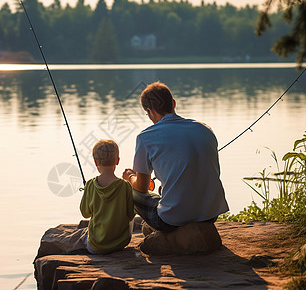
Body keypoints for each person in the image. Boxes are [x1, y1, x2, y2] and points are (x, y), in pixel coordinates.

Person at [122, 81, 229, 232]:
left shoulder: (145, 137)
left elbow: (141, 187)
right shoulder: (204, 129)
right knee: (163, 189)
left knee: (129, 191)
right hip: (210, 214)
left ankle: (115, 235)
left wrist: (130, 177)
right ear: (173, 103)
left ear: (150, 111)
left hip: (171, 221)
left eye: (147, 114)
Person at [80, 139, 135, 254]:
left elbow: (85, 213)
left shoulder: (90, 185)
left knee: (84, 235)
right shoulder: (125, 186)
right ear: (117, 161)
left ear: (95, 162)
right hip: (121, 244)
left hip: (96, 246)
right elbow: (130, 214)